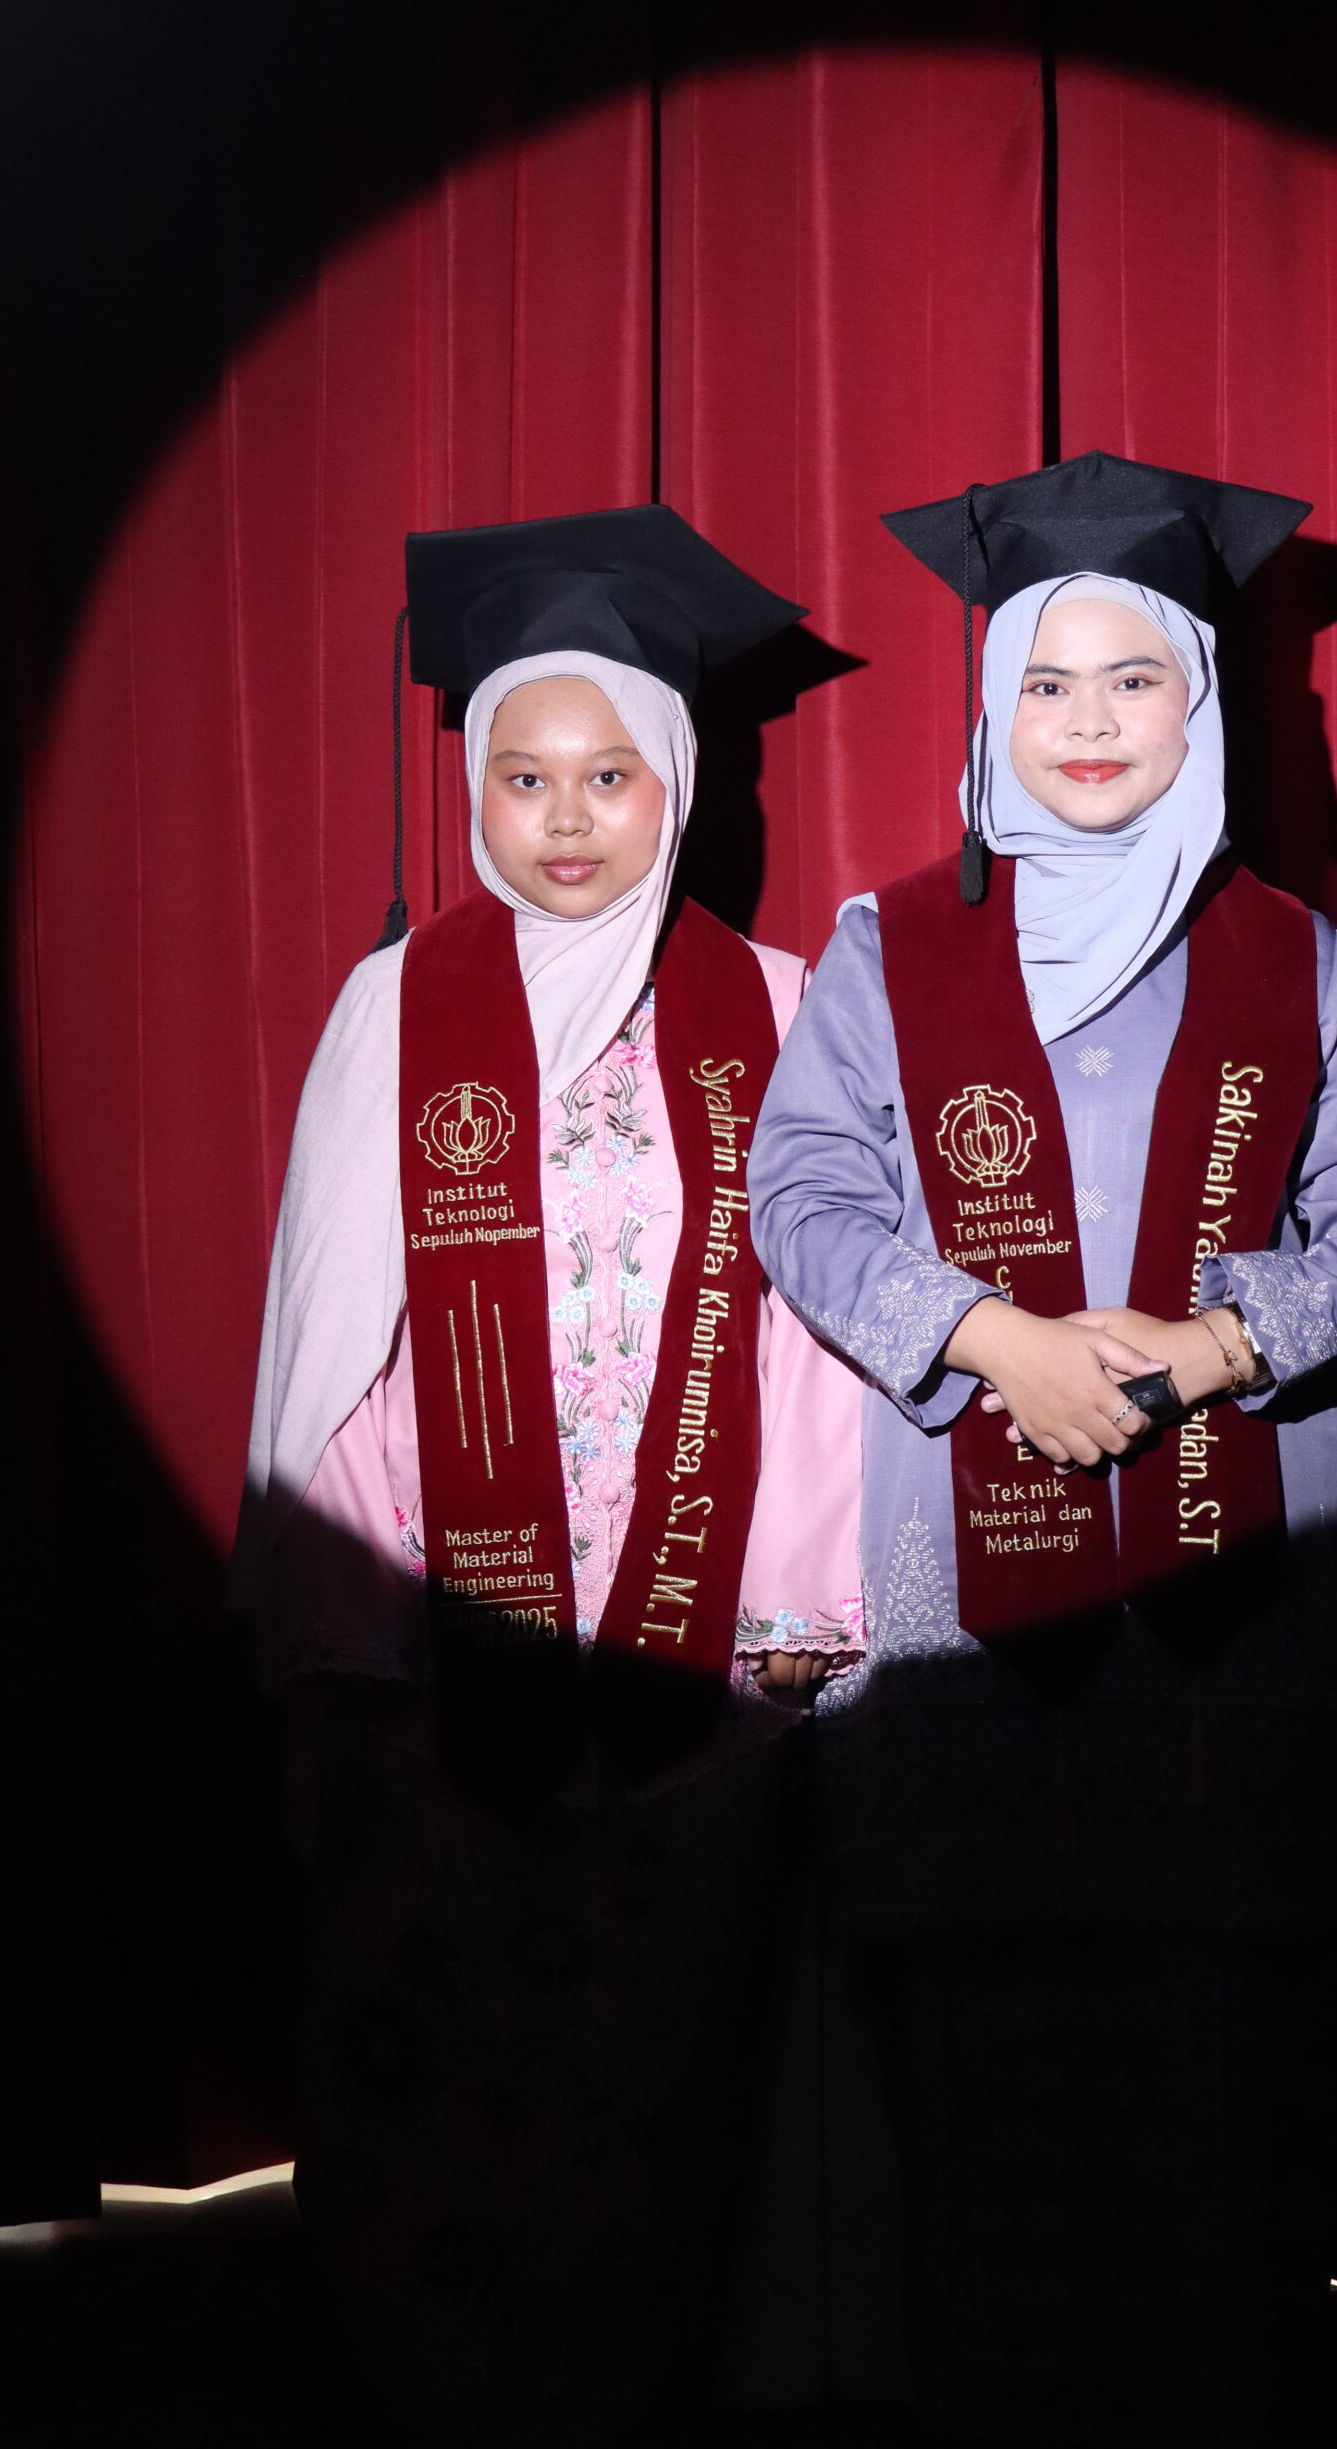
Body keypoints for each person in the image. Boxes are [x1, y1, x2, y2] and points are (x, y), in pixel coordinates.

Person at [748, 451, 1337, 2443]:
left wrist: (1226, 1342)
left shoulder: (1295, 955)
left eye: (1132, 679)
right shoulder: (885, 950)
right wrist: (988, 1341)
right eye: (1044, 682)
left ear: (1196, 700)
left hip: (1252, 1590)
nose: (1086, 722)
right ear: (991, 703)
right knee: (985, 2078)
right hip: (964, 1594)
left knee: (1231, 2071)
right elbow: (803, 1196)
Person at [234, 505, 863, 2445]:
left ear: (674, 782)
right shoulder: (394, 1007)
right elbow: (330, 1334)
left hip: (701, 1645)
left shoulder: (778, 1008)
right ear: (475, 789)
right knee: (439, 2063)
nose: (566, 819)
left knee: (657, 2073)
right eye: (524, 776)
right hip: (437, 1655)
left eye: (608, 775)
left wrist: (802, 1602)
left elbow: (812, 1343)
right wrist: (344, 1620)